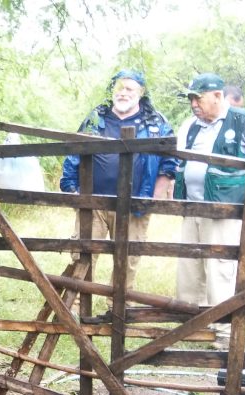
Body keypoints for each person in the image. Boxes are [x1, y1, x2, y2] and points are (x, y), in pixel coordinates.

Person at [173, 73, 245, 347]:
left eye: (198, 98)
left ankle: (222, 330)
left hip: (225, 210)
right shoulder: (190, 126)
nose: (194, 104)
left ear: (218, 96)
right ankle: (192, 323)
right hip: (193, 206)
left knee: (220, 268)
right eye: (191, 99)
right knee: (189, 266)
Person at [60, 69, 177, 291]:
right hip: (93, 203)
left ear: (141, 93)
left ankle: (116, 311)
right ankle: (74, 308)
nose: (123, 93)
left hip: (135, 204)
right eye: (119, 88)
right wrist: (72, 189)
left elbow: (169, 163)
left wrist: (152, 199)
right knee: (82, 254)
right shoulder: (97, 117)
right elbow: (74, 151)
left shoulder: (155, 122)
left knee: (127, 260)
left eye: (129, 88)